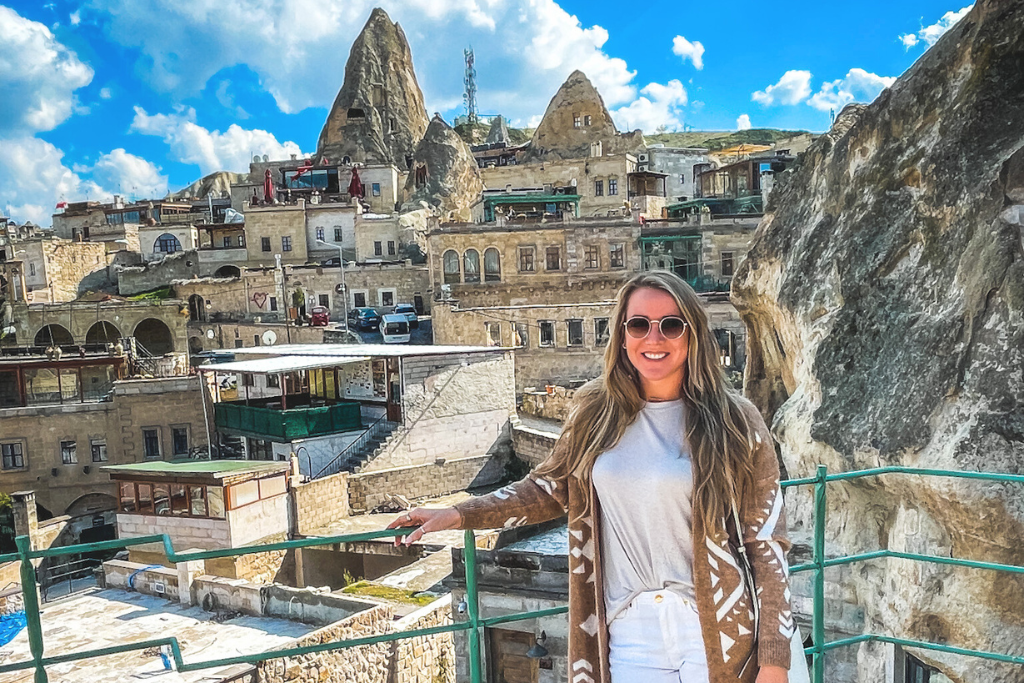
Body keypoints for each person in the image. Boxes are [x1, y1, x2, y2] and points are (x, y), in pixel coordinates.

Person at [389, 271, 795, 683]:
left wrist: (774, 659)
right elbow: (546, 491)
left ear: (693, 335)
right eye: (638, 325)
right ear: (621, 335)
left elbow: (766, 543)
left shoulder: (736, 420)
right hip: (629, 627)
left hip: (714, 628)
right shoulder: (595, 414)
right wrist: (457, 515)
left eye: (671, 325)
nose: (653, 339)